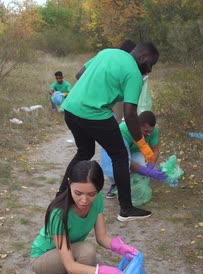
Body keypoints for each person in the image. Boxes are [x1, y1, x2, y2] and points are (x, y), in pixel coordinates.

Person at [30, 160, 139, 274]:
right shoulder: (58, 213)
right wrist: (99, 271)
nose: (84, 200)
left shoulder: (97, 200)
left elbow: (102, 237)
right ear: (69, 184)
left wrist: (122, 248)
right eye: (78, 193)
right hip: (44, 260)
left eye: (91, 194)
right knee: (88, 253)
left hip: (74, 252)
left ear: (98, 191)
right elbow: (71, 264)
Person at [60, 41, 160, 222]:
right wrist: (143, 146)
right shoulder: (134, 75)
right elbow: (130, 115)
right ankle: (126, 209)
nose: (150, 69)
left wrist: (97, 88)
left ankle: (61, 196)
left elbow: (79, 74)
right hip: (94, 113)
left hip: (71, 108)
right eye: (151, 64)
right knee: (120, 155)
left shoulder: (107, 53)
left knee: (85, 151)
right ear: (143, 57)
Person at [103, 111, 166, 199]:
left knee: (143, 164)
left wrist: (151, 164)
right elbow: (124, 160)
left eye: (151, 131)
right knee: (115, 167)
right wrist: (148, 172)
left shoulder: (152, 130)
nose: (149, 134)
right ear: (137, 126)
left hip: (135, 152)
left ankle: (133, 181)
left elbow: (155, 150)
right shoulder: (123, 131)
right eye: (146, 131)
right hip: (118, 155)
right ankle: (114, 184)